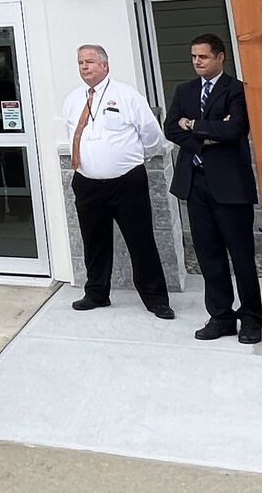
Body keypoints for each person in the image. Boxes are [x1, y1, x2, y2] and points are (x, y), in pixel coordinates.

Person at [163, 33, 262, 345]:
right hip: (197, 183)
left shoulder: (237, 90)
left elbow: (234, 130)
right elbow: (169, 128)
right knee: (208, 253)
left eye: (203, 57)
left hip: (230, 185)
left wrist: (191, 126)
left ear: (220, 57)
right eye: (194, 57)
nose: (197, 62)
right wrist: (207, 135)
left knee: (242, 254)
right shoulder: (185, 91)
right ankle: (221, 316)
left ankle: (251, 318)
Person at [62, 44, 173, 318]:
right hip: (87, 183)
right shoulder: (73, 99)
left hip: (126, 183)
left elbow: (151, 136)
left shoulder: (126, 95)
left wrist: (129, 159)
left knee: (141, 240)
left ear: (105, 66)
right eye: (80, 63)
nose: (84, 67)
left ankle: (155, 298)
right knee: (94, 242)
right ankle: (96, 293)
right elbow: (71, 133)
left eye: (89, 62)